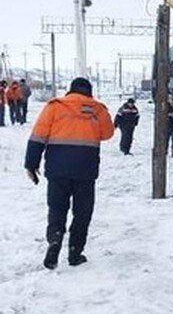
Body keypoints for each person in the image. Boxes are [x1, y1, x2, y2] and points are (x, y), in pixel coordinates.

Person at [24, 77, 114, 269]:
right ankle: (75, 252)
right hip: (85, 171)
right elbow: (107, 134)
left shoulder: (55, 106)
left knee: (57, 208)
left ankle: (55, 239)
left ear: (70, 91)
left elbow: (38, 136)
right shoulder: (97, 109)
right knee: (82, 212)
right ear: (89, 92)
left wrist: (31, 164)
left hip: (57, 170)